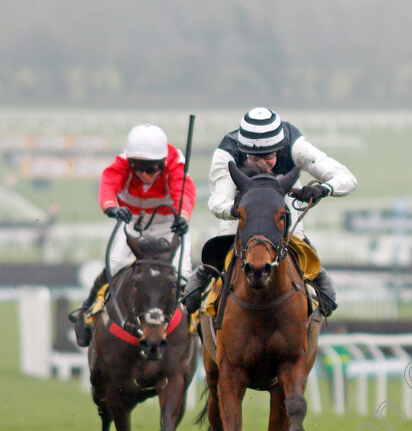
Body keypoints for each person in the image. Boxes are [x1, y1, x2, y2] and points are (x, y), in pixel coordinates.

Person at [182, 107, 357, 317]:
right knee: (226, 241)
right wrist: (234, 209)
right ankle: (206, 274)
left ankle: (315, 275)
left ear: (280, 147)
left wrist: (322, 189)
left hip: (281, 201)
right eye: (256, 158)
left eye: (268, 156)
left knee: (297, 240)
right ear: (243, 149)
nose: (264, 164)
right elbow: (216, 201)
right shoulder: (226, 153)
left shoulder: (295, 145)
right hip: (242, 208)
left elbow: (347, 179)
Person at [70, 124, 196, 347]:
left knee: (183, 274)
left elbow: (183, 191)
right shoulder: (121, 164)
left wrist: (183, 217)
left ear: (163, 162)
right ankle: (87, 311)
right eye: (139, 167)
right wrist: (111, 207)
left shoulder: (176, 163)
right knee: (115, 264)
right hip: (134, 225)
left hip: (169, 226)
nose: (146, 175)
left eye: (153, 168)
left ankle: (197, 323)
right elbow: (108, 184)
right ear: (130, 161)